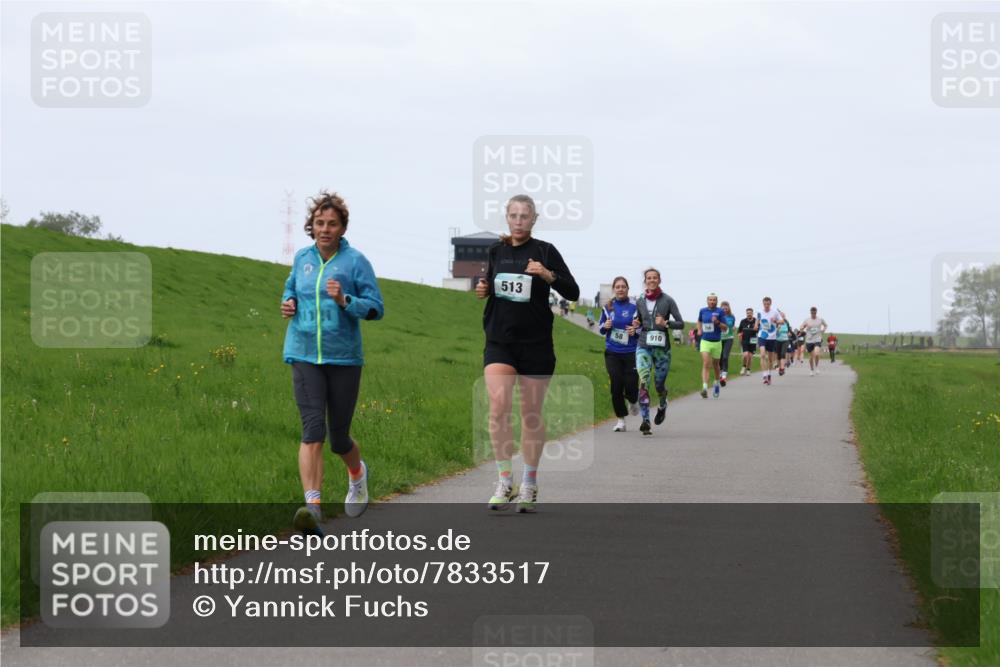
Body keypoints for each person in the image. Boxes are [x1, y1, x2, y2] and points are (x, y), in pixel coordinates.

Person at [283, 191, 385, 535]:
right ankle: (313, 508)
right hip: (303, 352)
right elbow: (290, 289)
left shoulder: (355, 262)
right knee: (313, 430)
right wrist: (288, 302)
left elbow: (376, 307)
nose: (325, 229)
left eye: (332, 224)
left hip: (343, 358)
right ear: (311, 226)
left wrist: (345, 299)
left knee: (339, 438)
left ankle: (357, 474)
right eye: (319, 223)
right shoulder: (302, 258)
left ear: (342, 228)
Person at [475, 194, 579, 513]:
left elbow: (572, 291)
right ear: (507, 217)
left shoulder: (545, 251)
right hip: (500, 341)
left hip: (536, 344)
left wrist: (547, 274)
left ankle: (529, 483)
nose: (518, 221)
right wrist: (483, 289)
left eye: (525, 216)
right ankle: (505, 481)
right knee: (498, 408)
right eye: (514, 215)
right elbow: (490, 284)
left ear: (534, 220)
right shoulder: (496, 251)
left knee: (531, 413)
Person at [632, 267, 684, 434]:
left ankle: (662, 404)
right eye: (649, 278)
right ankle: (645, 420)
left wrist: (666, 323)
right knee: (644, 380)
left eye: (655, 277)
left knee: (659, 384)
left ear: (659, 280)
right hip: (644, 345)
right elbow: (638, 319)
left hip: (662, 348)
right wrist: (636, 323)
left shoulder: (668, 300)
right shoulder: (640, 300)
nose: (652, 280)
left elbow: (681, 323)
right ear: (645, 281)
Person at [599, 277, 640, 432]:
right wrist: (605, 325)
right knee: (616, 385)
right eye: (618, 287)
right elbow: (600, 328)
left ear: (628, 289)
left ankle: (633, 400)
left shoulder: (635, 307)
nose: (620, 289)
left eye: (623, 286)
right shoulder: (608, 307)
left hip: (631, 352)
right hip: (612, 352)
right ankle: (621, 420)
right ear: (614, 289)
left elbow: (642, 327)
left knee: (631, 385)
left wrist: (635, 330)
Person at [697, 293, 728, 398]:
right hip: (705, 341)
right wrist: (699, 329)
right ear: (707, 301)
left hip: (717, 342)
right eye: (710, 300)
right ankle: (705, 388)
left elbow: (725, 328)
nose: (712, 302)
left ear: (717, 301)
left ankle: (716, 383)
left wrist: (717, 322)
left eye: (714, 300)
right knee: (706, 363)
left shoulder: (720, 311)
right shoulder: (702, 311)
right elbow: (699, 321)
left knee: (716, 365)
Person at [757, 297, 784, 386]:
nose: (766, 306)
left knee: (770, 359)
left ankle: (769, 374)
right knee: (762, 355)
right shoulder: (759, 312)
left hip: (772, 337)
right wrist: (756, 325)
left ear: (770, 303)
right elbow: (758, 320)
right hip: (762, 335)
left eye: (768, 304)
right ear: (763, 303)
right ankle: (764, 375)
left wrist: (776, 321)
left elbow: (782, 321)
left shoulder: (775, 312)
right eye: (765, 304)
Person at [800, 307, 828, 375]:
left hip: (817, 339)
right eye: (812, 313)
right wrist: (802, 328)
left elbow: (826, 325)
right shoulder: (807, 320)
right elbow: (801, 327)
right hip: (809, 340)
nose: (813, 314)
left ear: (816, 312)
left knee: (816, 353)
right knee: (811, 356)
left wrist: (824, 329)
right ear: (810, 313)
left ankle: (817, 367)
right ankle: (811, 370)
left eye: (814, 313)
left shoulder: (820, 319)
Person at [718, 300, 737, 386]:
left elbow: (732, 325)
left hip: (729, 338)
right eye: (723, 308)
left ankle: (724, 376)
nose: (725, 310)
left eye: (726, 308)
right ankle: (720, 372)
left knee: (725, 356)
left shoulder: (732, 317)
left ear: (729, 308)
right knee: (720, 357)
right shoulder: (718, 316)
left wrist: (733, 328)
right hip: (719, 339)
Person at [737, 307, 758, 376]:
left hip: (753, 340)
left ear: (752, 313)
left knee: (750, 356)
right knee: (745, 355)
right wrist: (739, 334)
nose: (749, 314)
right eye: (747, 313)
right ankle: (743, 367)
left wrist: (756, 328)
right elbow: (739, 330)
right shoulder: (743, 321)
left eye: (750, 313)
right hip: (745, 340)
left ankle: (748, 369)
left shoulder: (756, 321)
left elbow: (759, 330)